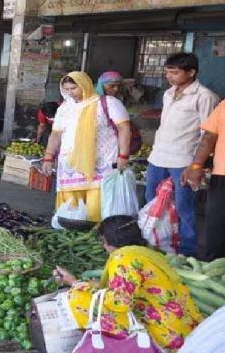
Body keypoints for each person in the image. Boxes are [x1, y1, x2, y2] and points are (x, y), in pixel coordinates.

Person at [55, 215, 201, 351]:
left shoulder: (123, 258)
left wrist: (77, 284)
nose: (104, 247)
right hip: (182, 326)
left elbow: (121, 302)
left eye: (104, 241)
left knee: (79, 299)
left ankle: (116, 347)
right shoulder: (148, 253)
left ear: (111, 240)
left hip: (166, 335)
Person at [146, 53, 219, 257]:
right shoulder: (168, 93)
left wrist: (198, 165)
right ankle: (155, 242)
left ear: (192, 72)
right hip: (158, 157)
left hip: (183, 160)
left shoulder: (205, 97)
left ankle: (187, 251)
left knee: (184, 207)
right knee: (152, 202)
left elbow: (209, 134)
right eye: (167, 71)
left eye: (175, 72)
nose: (169, 76)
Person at [41, 72, 131, 223]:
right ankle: (70, 240)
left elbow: (124, 128)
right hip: (70, 167)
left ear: (85, 85)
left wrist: (123, 155)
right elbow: (56, 134)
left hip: (101, 165)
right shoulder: (65, 107)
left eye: (74, 88)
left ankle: (98, 237)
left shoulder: (107, 103)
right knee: (70, 210)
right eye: (67, 89)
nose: (70, 93)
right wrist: (48, 157)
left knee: (96, 209)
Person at [182, 98, 225, 261]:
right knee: (216, 231)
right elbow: (209, 136)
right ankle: (212, 273)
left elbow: (209, 137)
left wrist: (197, 165)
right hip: (222, 175)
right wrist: (196, 165)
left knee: (217, 229)